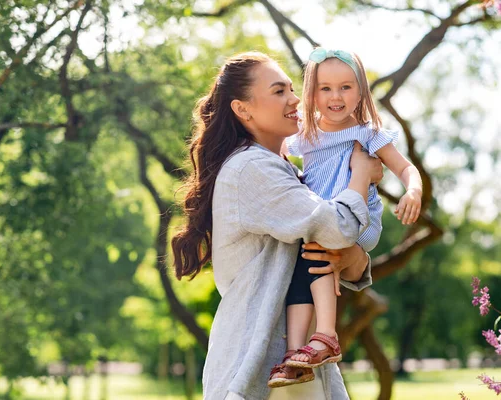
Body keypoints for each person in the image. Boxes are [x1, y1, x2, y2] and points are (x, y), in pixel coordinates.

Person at [171, 51, 383, 400]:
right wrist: (360, 173)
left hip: (295, 367)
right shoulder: (252, 169)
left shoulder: (284, 171)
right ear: (243, 109)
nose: (295, 99)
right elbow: (339, 228)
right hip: (256, 367)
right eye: (279, 91)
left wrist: (353, 260)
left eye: (291, 89)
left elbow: (339, 253)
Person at [269, 48, 423, 385]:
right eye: (325, 88)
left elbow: (405, 167)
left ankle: (326, 335)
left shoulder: (367, 134)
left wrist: (413, 191)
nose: (335, 97)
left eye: (346, 87)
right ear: (311, 93)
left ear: (361, 91)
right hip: (322, 221)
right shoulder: (306, 135)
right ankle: (295, 355)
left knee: (318, 244)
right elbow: (276, 154)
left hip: (359, 222)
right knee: (303, 266)